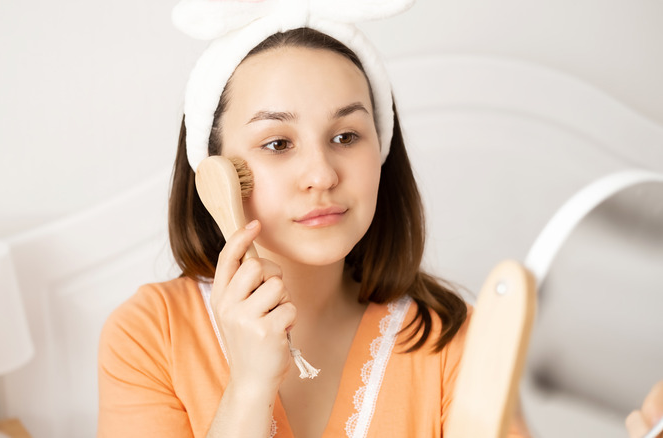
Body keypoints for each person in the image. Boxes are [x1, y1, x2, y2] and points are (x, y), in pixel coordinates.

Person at [97, 2, 660, 437]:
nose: (321, 172)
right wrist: (247, 388)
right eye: (277, 142)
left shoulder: (450, 339)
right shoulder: (148, 336)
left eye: (346, 136)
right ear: (214, 172)